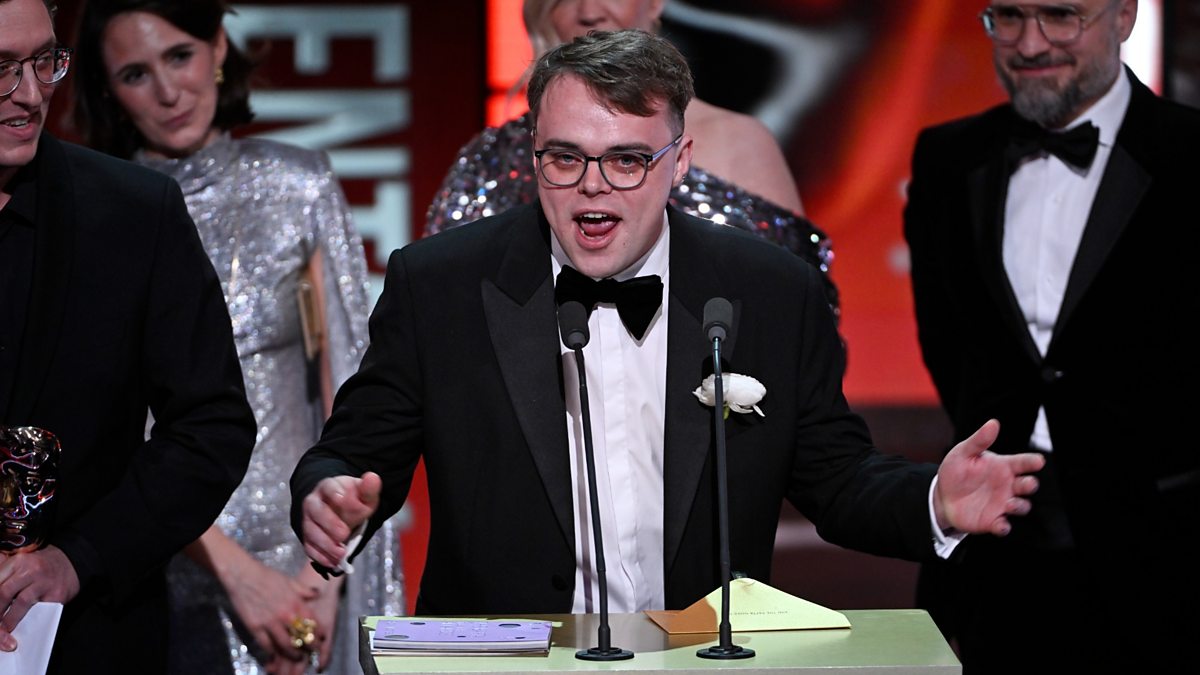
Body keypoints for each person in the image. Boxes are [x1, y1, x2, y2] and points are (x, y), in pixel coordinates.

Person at [291, 29, 1045, 621]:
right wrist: (328, 495)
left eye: (627, 161)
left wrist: (932, 500)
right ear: (534, 153)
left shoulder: (769, 292)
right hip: (505, 658)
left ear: (679, 161)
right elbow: (357, 450)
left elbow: (836, 476)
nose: (593, 188)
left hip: (702, 658)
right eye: (566, 159)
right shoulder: (441, 285)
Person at [70, 1, 404, 673]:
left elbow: (351, 390)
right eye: (135, 74)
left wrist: (324, 573)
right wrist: (238, 575)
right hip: (159, 564)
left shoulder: (298, 184)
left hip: (304, 557)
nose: (168, 92)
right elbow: (105, 435)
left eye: (180, 56)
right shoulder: (95, 212)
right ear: (107, 89)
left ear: (219, 47)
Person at [903, 1, 1200, 672]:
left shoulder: (1191, 154)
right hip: (994, 554)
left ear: (1123, 17)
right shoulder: (947, 158)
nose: (1031, 43)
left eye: (1060, 16)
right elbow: (945, 341)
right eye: (1008, 17)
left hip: (1166, 555)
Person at [0, 0, 256, 673]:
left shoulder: (135, 212)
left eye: (43, 61)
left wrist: (78, 558)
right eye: (0, 68)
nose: (30, 95)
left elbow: (212, 427)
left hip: (91, 637)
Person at [426, 0, 839, 316]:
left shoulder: (740, 143)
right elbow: (441, 314)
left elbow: (801, 318)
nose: (589, 11)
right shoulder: (489, 160)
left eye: (628, 161)